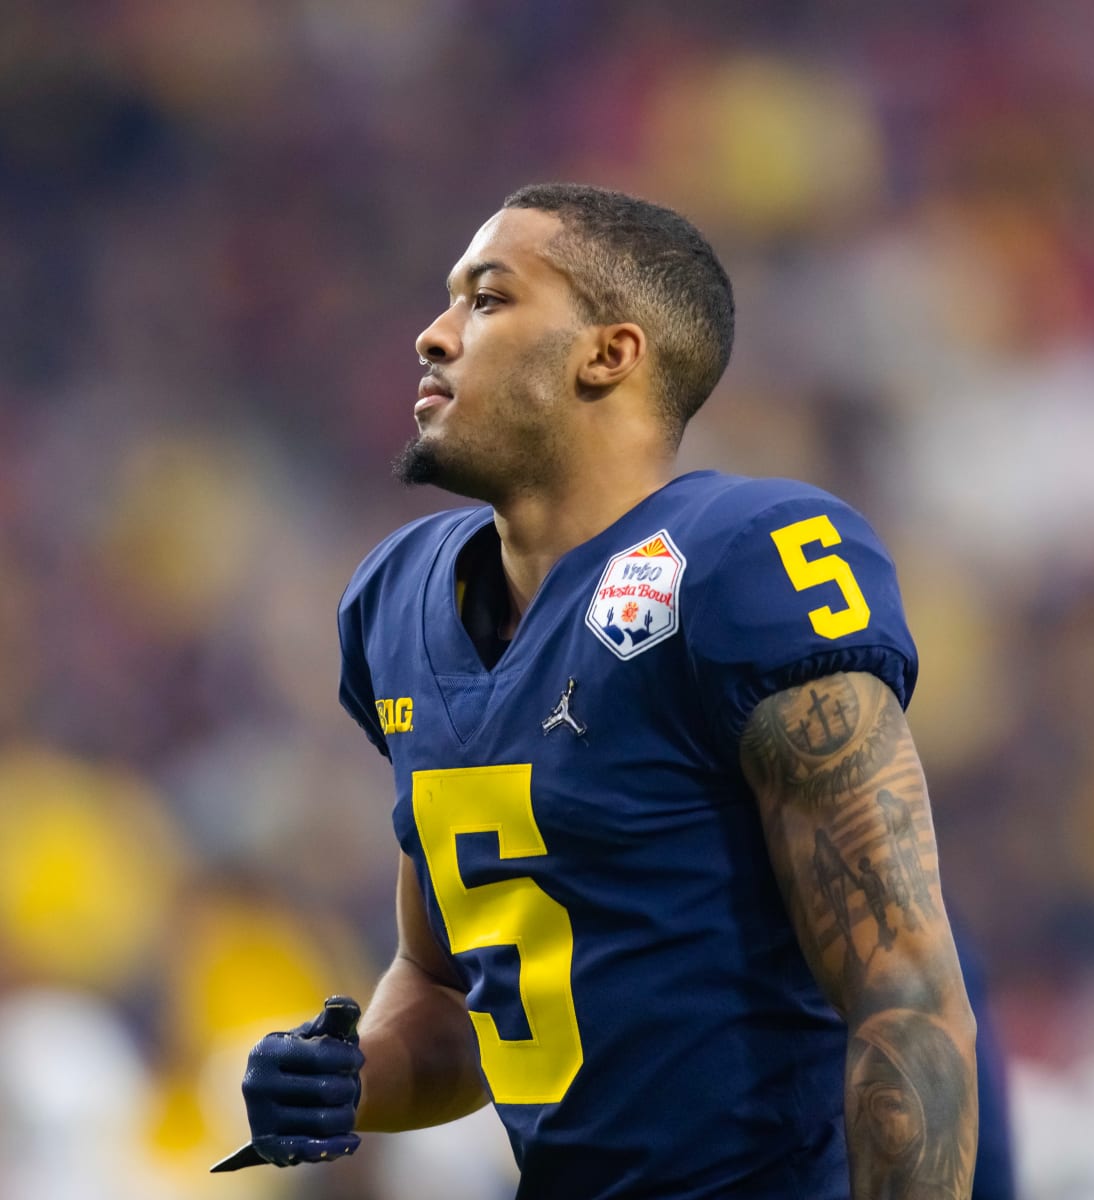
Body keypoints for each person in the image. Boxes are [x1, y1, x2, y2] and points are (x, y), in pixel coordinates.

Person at [233, 183, 981, 1198]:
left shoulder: (742, 566)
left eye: (489, 299)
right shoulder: (397, 605)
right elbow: (450, 991)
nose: (435, 334)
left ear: (609, 354)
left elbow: (905, 994)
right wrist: (349, 1077)